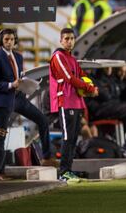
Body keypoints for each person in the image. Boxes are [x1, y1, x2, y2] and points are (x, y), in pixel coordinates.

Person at [49, 28, 99, 183]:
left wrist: (93, 86)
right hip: (65, 101)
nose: (69, 41)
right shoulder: (58, 56)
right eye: (66, 38)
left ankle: (68, 170)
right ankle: (63, 172)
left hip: (76, 101)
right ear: (61, 40)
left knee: (73, 138)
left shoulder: (72, 59)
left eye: (72, 38)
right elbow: (69, 78)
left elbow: (81, 75)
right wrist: (89, 88)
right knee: (67, 137)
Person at [0, 28, 22, 181]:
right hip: (0, 103)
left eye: (12, 39)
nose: (9, 42)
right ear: (1, 40)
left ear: (15, 41)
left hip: (12, 101)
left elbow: (18, 77)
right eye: (6, 39)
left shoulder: (18, 57)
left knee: (1, 137)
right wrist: (10, 85)